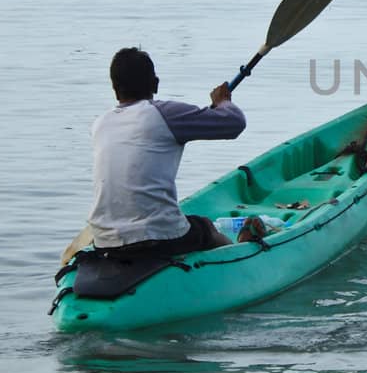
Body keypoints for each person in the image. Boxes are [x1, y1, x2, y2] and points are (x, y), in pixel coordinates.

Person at [87, 47, 247, 255]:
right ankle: (239, 258)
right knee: (206, 227)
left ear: (115, 88)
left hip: (103, 240)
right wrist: (222, 101)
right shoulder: (164, 114)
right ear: (155, 84)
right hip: (156, 236)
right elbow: (234, 123)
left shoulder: (100, 124)